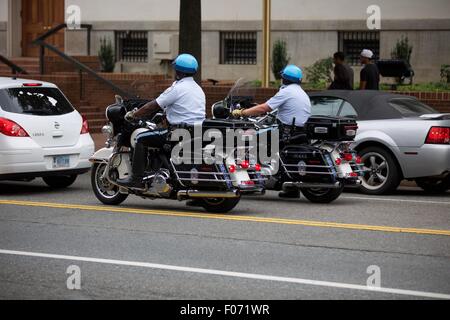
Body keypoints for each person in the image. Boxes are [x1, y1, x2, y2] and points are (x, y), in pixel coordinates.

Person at [117, 53, 206, 188]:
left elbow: (153, 105)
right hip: (197, 131)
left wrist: (134, 114)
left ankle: (136, 179)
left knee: (141, 138)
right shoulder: (198, 89)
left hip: (178, 132)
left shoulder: (177, 88)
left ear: (178, 71)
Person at [231, 64, 312, 199]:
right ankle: (291, 188)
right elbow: (276, 109)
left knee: (246, 138)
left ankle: (250, 179)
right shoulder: (301, 93)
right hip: (298, 131)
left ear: (285, 78)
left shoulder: (286, 91)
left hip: (286, 132)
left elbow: (265, 108)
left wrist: (242, 112)